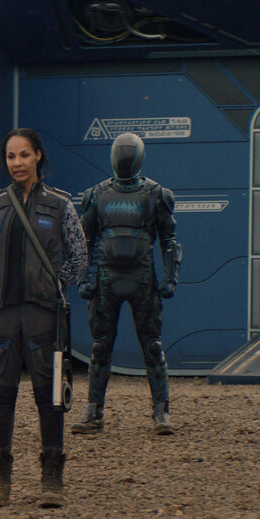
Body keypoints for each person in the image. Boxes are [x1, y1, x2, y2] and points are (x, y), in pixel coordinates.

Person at [0, 128, 88, 508]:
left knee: (49, 397)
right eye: (11, 156)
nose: (17, 163)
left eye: (24, 155)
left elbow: (79, 255)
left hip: (42, 314)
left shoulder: (60, 205)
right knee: (0, 396)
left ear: (38, 155)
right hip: (0, 314)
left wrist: (53, 284)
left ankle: (51, 480)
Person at [70, 133, 183, 436]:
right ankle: (94, 412)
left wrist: (171, 278)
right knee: (100, 348)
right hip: (109, 279)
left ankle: (161, 412)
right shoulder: (97, 195)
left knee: (152, 347)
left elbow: (169, 240)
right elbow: (84, 240)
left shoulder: (155, 194)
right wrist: (83, 278)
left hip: (140, 279)